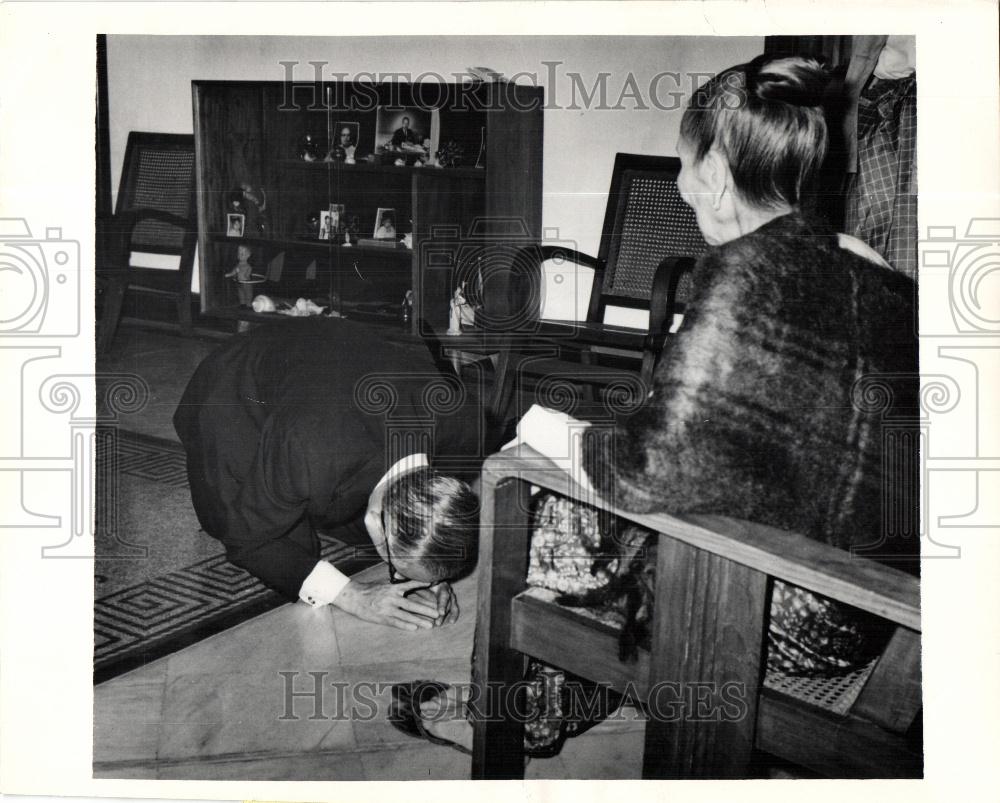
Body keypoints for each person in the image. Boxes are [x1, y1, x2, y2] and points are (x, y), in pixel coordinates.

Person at [401, 54, 918, 755]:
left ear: (711, 172)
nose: (679, 185)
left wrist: (559, 436)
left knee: (554, 501)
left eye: (682, 164)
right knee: (604, 494)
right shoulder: (877, 272)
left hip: (786, 599)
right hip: (879, 609)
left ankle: (521, 715)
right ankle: (564, 695)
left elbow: (645, 475)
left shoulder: (743, 272)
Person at [173, 317, 486, 631]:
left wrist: (435, 574)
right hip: (235, 389)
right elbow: (247, 540)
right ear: (376, 519)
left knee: (323, 507)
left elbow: (438, 525)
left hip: (330, 358)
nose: (400, 578)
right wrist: (351, 596)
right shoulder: (307, 447)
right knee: (247, 526)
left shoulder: (465, 424)